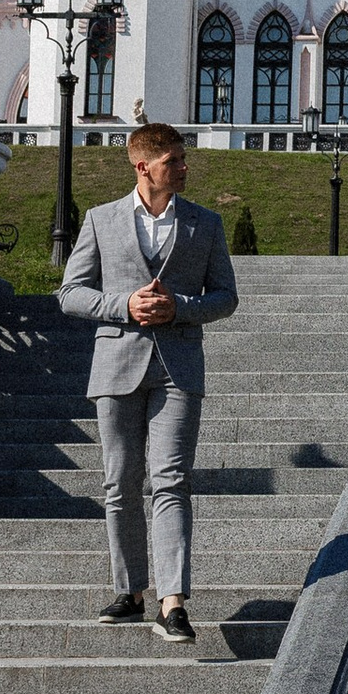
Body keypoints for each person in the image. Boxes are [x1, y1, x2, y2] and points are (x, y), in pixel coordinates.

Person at [59, 120, 238, 643]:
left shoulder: (205, 224)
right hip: (115, 366)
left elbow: (226, 297)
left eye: (183, 159)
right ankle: (130, 591)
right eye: (174, 161)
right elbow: (70, 293)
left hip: (179, 368)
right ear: (144, 166)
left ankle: (172, 603)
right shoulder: (101, 220)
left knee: (172, 480)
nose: (184, 168)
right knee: (119, 483)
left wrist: (180, 307)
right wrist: (125, 305)